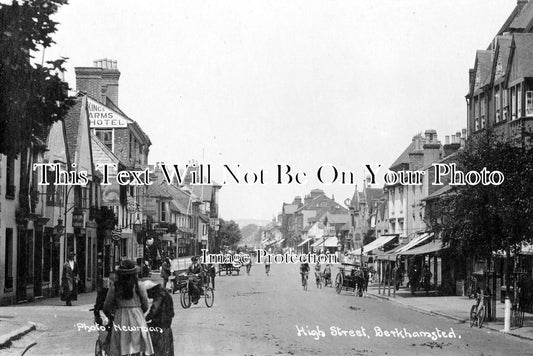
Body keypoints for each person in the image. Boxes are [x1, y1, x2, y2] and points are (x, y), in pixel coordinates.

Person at [103, 259, 154, 356]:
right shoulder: (139, 286)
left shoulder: (115, 286)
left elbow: (106, 307)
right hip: (138, 318)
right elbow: (146, 305)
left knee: (122, 348)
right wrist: (138, 312)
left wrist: (112, 317)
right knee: (137, 349)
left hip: (120, 319)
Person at [143, 280, 175, 356]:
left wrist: (145, 319)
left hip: (161, 323)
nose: (147, 295)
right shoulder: (162, 292)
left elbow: (154, 309)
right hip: (166, 322)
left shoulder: (159, 295)